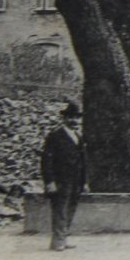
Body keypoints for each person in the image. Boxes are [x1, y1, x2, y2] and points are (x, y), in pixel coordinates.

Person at [39, 102, 87, 252]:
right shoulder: (55, 136)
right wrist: (49, 181)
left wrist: (84, 181)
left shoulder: (79, 136)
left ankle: (64, 238)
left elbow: (84, 161)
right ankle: (57, 241)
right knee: (60, 210)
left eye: (77, 118)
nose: (74, 121)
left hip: (76, 180)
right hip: (60, 180)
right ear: (64, 118)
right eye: (71, 117)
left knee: (70, 209)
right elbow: (46, 160)